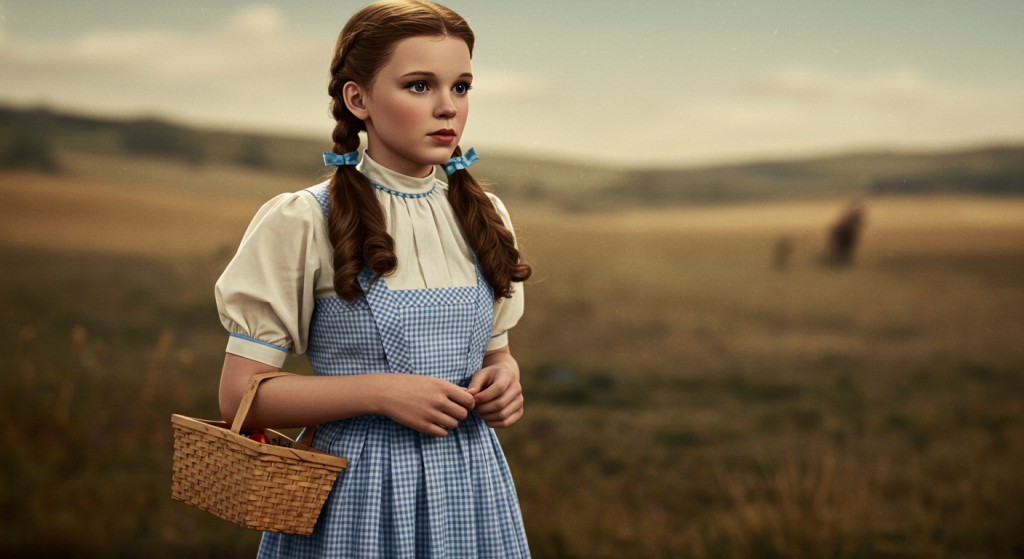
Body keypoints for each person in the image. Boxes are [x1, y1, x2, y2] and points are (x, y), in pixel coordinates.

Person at [214, 1, 533, 556]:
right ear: (357, 99)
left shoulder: (484, 215)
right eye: (418, 86)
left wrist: (504, 380)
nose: (446, 108)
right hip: (358, 491)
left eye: (460, 87)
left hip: (472, 486)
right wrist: (382, 392)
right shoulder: (302, 219)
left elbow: (494, 355)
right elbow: (239, 396)